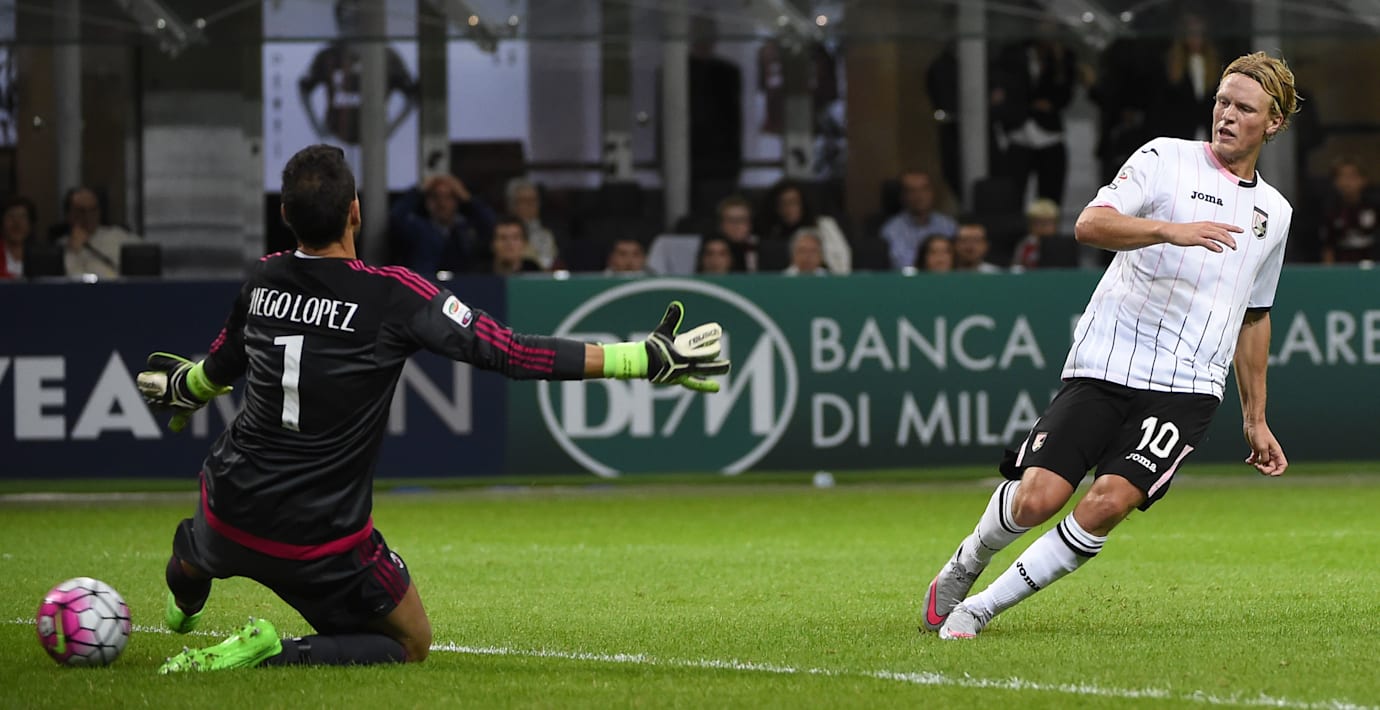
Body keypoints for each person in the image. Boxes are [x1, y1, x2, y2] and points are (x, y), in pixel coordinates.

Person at [137, 144, 730, 673]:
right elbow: (509, 351)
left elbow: (220, 365)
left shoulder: (263, 278)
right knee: (410, 642)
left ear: (286, 214)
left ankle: (186, 594)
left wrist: (185, 387)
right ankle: (273, 654)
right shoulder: (394, 294)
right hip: (319, 538)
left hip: (229, 506)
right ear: (355, 212)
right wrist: (639, 358)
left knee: (194, 553)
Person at [923, 52, 1298, 640]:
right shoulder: (1164, 158)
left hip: (1188, 386)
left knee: (1107, 503)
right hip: (1109, 359)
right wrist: (1170, 230)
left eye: (1244, 108)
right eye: (1222, 102)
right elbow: (1089, 224)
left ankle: (980, 608)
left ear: (1273, 122)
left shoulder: (1274, 212)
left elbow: (1255, 315)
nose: (1227, 115)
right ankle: (968, 560)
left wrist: (1256, 418)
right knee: (1037, 499)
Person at [299, 0, 418, 144]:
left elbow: (412, 94)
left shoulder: (386, 55)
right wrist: (317, 127)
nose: (349, 25)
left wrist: (391, 129)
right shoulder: (328, 55)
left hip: (375, 140)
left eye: (354, 19)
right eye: (344, 19)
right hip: (336, 137)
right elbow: (304, 87)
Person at [990, 19, 1077, 206]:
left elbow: (1065, 94)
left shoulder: (1063, 57)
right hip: (1018, 131)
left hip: (1049, 133)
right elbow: (1004, 87)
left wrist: (1059, 63)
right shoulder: (1013, 53)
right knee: (1012, 197)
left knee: (1049, 198)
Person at [388, 173, 495, 278]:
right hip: (425, 283)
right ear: (427, 202)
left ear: (457, 201)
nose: (442, 203)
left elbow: (490, 224)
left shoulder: (465, 230)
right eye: (435, 197)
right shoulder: (417, 228)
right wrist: (418, 190)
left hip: (463, 284)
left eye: (449, 197)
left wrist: (467, 198)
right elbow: (396, 218)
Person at [759, 179, 851, 274]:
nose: (789, 208)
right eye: (784, 203)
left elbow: (841, 264)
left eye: (793, 202)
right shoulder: (769, 236)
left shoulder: (824, 226)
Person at [54, 186, 141, 278]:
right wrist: (74, 251)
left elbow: (146, 261)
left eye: (93, 210)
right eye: (81, 211)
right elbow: (71, 279)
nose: (88, 216)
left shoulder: (118, 235)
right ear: (69, 214)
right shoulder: (60, 248)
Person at [879, 171, 957, 271]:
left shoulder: (948, 225)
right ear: (902, 196)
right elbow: (898, 266)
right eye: (912, 191)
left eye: (924, 189)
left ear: (932, 192)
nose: (919, 195)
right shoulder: (890, 231)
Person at [1318, 156, 1380, 264]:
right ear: (1335, 182)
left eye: (1352, 176)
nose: (1347, 183)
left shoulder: (1375, 206)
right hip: (1341, 267)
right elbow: (1327, 247)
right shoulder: (1329, 210)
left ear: (1364, 179)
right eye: (1342, 177)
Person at [504, 178, 560, 270]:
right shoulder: (503, 232)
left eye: (534, 200)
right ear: (512, 205)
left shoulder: (548, 234)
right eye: (524, 200)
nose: (530, 204)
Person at [1011, 198, 1077, 270]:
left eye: (1047, 223)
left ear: (1056, 225)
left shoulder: (1065, 247)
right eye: (1038, 223)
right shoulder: (1025, 245)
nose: (1042, 227)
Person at [479, 216, 544, 276]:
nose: (509, 243)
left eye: (515, 238)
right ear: (492, 244)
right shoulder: (479, 273)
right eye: (503, 238)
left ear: (524, 243)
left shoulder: (535, 273)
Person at [714, 195, 758, 272]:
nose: (736, 225)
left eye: (742, 219)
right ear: (721, 224)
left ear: (750, 223)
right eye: (730, 220)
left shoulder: (762, 250)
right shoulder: (711, 250)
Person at [0, 195, 35, 279]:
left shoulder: (40, 255)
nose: (17, 223)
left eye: (22, 217)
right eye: (11, 216)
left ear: (30, 224)